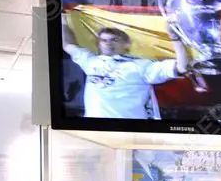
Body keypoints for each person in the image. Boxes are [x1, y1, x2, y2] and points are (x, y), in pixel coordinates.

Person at [61, 15, 190, 119]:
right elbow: (67, 45)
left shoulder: (141, 66)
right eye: (103, 40)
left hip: (130, 132)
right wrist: (63, 19)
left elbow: (182, 67)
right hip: (95, 132)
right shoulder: (90, 61)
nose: (108, 44)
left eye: (114, 40)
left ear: (126, 44)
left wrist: (174, 37)